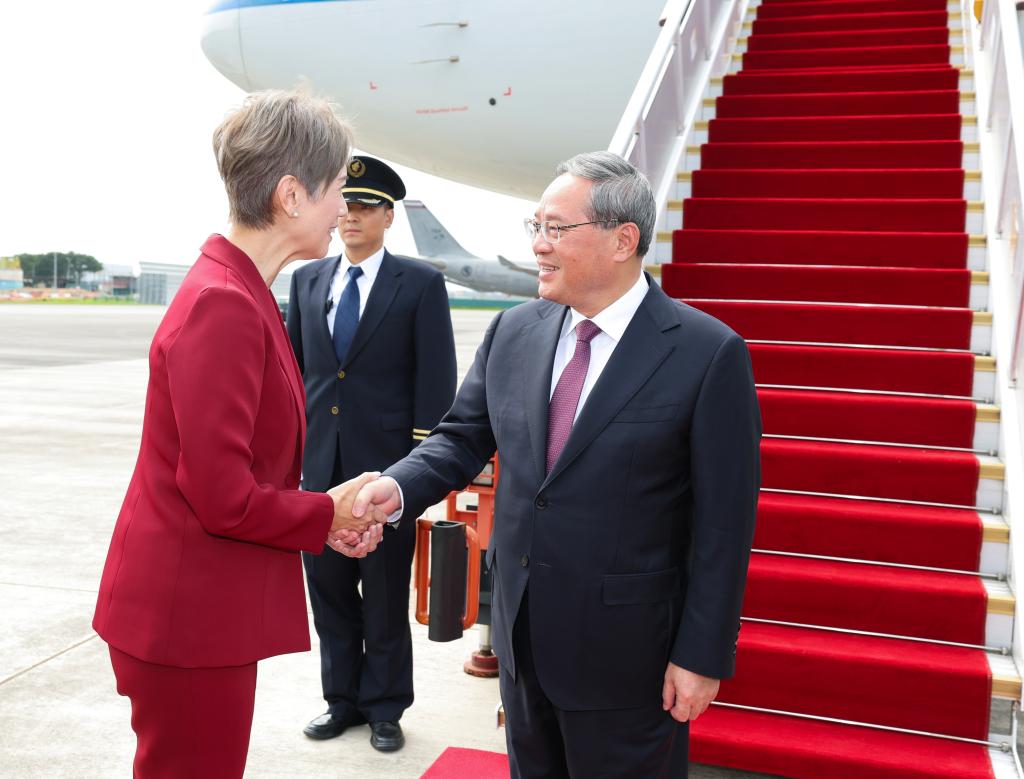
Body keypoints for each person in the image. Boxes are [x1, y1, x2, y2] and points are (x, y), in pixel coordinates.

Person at [353, 151, 762, 777]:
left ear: (623, 239)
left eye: (556, 228)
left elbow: (723, 526)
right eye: (535, 226)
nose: (538, 245)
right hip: (522, 643)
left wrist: (702, 655)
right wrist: (396, 487)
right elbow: (461, 439)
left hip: (630, 661)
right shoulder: (513, 332)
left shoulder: (707, 353)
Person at [92, 89, 389, 779]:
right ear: (291, 195)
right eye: (337, 189)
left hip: (199, 611)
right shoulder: (223, 304)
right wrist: (326, 512)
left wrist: (323, 516)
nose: (343, 209)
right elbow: (223, 497)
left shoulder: (243, 290)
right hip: (185, 620)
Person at [287, 155, 457, 751]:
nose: (351, 217)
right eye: (346, 206)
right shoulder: (307, 280)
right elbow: (296, 375)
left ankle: (385, 707)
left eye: (365, 207)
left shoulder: (420, 283)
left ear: (388, 217)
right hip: (318, 471)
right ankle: (342, 701)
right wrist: (292, 462)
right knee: (329, 594)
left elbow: (435, 381)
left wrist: (417, 471)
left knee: (383, 595)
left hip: (385, 473)